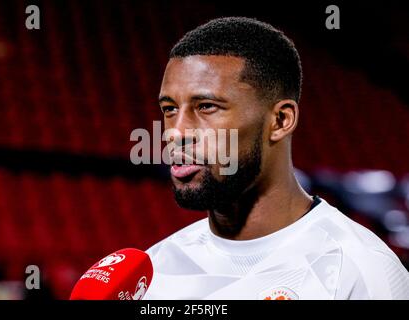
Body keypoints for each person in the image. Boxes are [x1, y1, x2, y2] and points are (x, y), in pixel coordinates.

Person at [144, 17, 409, 300]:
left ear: (281, 120)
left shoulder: (363, 271)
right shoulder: (153, 272)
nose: (176, 132)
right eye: (170, 109)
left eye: (207, 106)